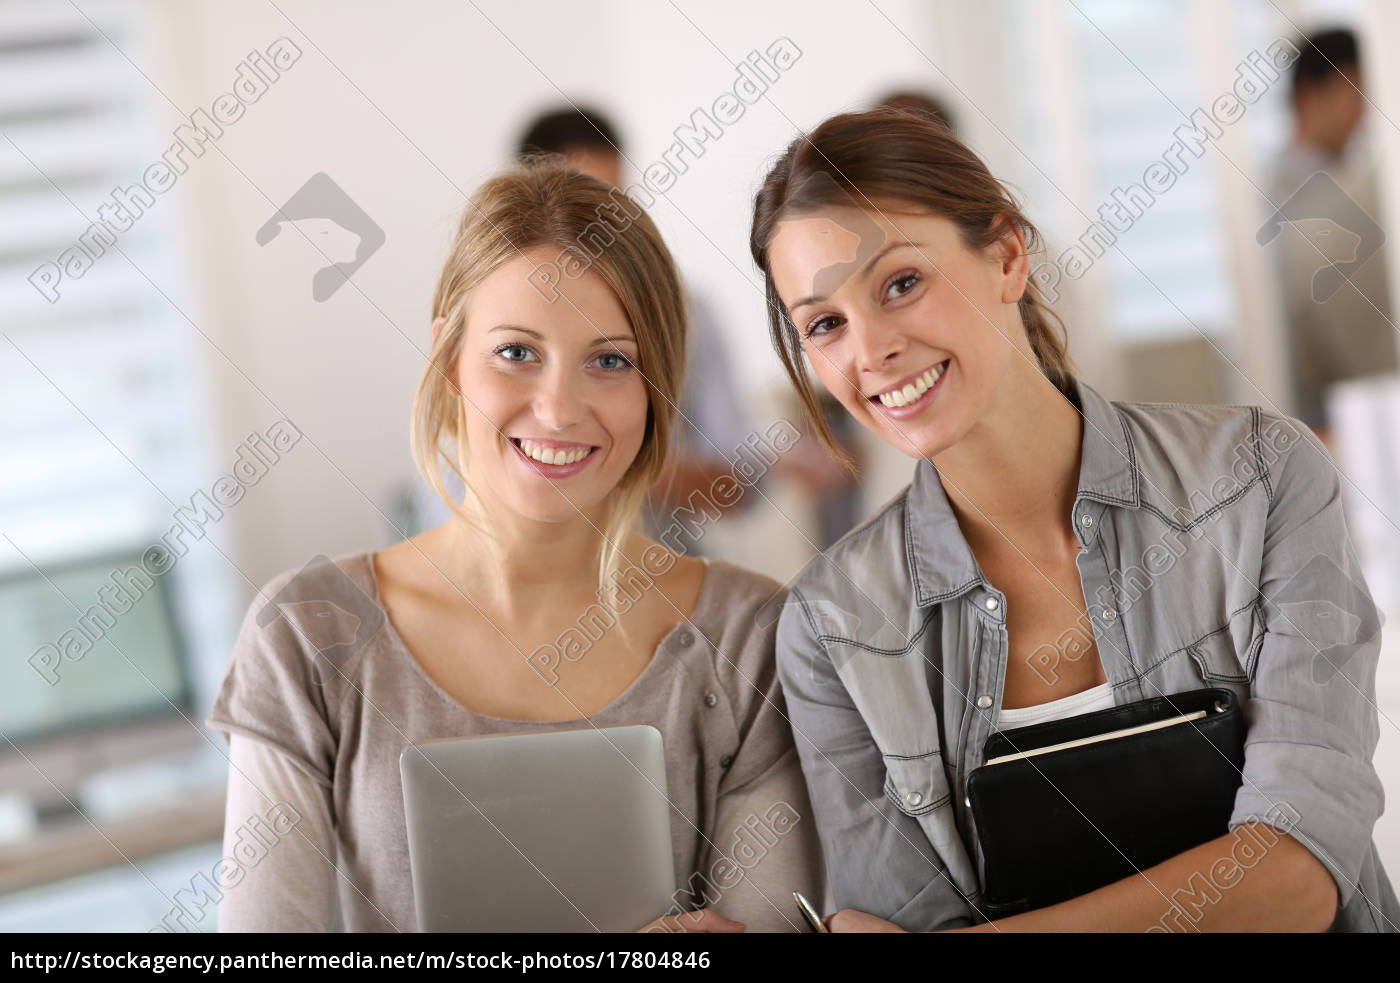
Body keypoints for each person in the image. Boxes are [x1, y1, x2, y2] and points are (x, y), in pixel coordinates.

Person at [750, 107, 1398, 932]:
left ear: (1009, 256)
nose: (870, 348)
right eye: (825, 324)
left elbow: (1300, 874)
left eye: (901, 283)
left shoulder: (1263, 476)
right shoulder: (829, 625)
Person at [206, 160, 822, 932]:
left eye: (609, 360)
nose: (558, 407)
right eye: (516, 352)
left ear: (655, 384)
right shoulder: (310, 634)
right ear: (449, 356)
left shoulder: (749, 634)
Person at [1264, 27, 1398, 448]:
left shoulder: (1370, 191)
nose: (1364, 111)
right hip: (1315, 427)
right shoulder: (1273, 204)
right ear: (1309, 94)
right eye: (1354, 92)